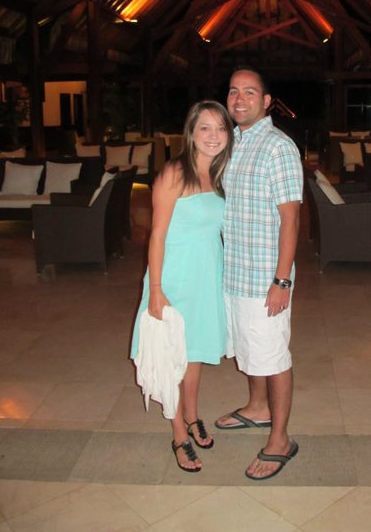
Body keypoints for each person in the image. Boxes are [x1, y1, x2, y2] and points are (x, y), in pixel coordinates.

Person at [130, 100, 234, 473]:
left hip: (206, 277)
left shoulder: (219, 174)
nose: (213, 135)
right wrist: (156, 289)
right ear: (191, 132)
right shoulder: (175, 173)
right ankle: (178, 434)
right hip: (174, 277)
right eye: (205, 127)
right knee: (169, 355)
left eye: (221, 128)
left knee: (194, 353)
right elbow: (156, 235)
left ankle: (192, 415)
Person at [215, 67, 304, 480]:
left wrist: (282, 281)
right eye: (234, 91)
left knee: (273, 356)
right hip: (233, 272)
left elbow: (291, 219)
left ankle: (281, 439)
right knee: (247, 347)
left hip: (265, 277)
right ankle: (257, 407)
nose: (239, 99)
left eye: (250, 92)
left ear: (267, 102)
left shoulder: (278, 147)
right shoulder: (230, 143)